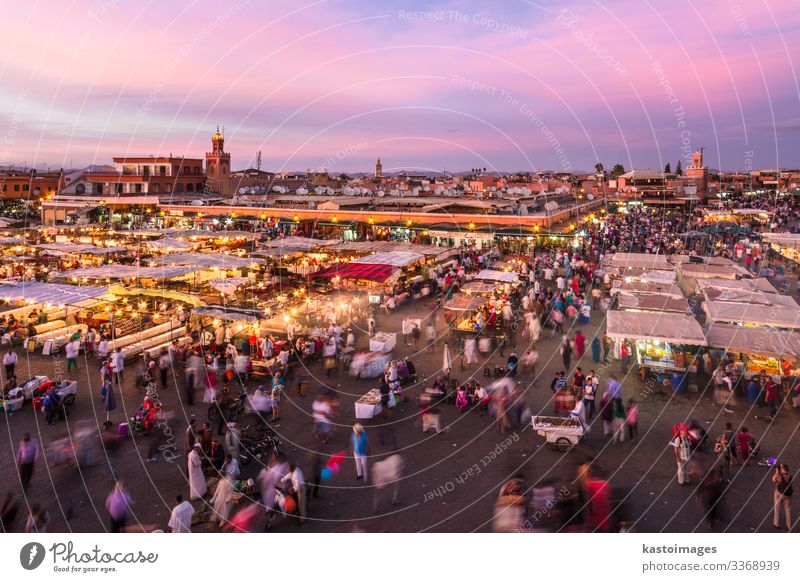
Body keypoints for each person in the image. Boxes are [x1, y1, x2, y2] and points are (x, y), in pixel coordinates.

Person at [211, 453, 240, 528]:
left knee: (224, 507)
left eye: (227, 460)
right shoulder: (221, 481)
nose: (225, 461)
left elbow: (232, 472)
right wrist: (214, 497)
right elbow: (217, 490)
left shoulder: (234, 462)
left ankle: (223, 519)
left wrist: (228, 498)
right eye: (225, 459)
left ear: (230, 459)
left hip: (233, 475)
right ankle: (218, 517)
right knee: (218, 504)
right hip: (221, 494)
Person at [772, 463, 793, 531]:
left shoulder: (779, 476)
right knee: (788, 510)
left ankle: (776, 524)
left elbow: (773, 480)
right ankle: (789, 526)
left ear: (782, 469)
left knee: (777, 508)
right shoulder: (789, 476)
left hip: (779, 494)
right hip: (788, 495)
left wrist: (776, 472)